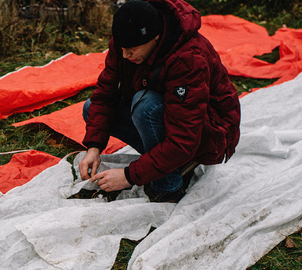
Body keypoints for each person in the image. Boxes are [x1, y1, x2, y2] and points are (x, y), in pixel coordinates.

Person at [80, 0, 241, 202]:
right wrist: (93, 148)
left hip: (208, 133)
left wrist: (129, 176)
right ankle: (173, 164)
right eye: (121, 47)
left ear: (155, 37)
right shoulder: (126, 44)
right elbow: (104, 95)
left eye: (131, 49)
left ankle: (168, 186)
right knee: (90, 108)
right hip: (172, 118)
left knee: (145, 106)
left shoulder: (187, 58)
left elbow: (184, 139)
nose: (124, 54)